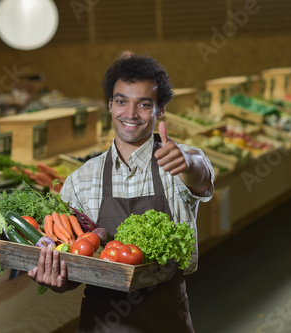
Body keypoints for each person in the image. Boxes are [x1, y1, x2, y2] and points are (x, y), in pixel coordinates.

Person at [28, 54, 214, 332]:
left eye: (144, 104)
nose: (130, 113)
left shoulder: (179, 160)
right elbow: (74, 267)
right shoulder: (81, 179)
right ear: (110, 105)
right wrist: (56, 278)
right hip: (102, 324)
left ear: (160, 109)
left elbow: (202, 177)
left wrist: (188, 164)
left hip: (166, 321)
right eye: (121, 101)